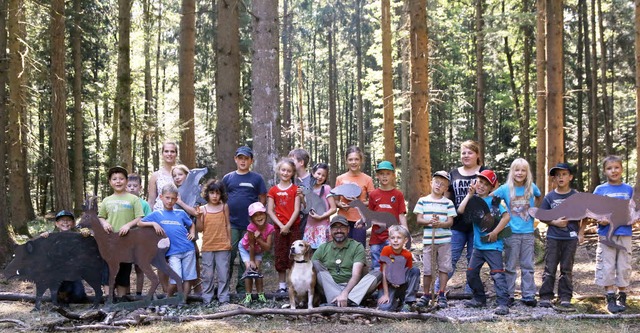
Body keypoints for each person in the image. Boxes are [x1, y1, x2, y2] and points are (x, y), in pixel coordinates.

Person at [585, 156, 634, 313]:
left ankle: (622, 295)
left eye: (616, 167)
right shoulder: (600, 190)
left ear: (621, 168)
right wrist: (600, 219)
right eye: (609, 168)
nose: (613, 170)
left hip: (624, 232)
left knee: (624, 264)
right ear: (605, 171)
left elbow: (634, 209)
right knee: (607, 264)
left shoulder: (628, 189)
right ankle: (610, 296)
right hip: (607, 235)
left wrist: (633, 218)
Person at [459, 170, 511, 316]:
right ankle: (479, 298)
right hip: (478, 246)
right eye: (480, 182)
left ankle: (502, 303)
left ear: (491, 188)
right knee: (471, 273)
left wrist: (495, 232)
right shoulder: (473, 200)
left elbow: (506, 217)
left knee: (497, 274)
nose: (481, 186)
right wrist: (469, 194)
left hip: (493, 246)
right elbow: (460, 210)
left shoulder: (494, 202)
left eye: (486, 184)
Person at [492, 158, 541, 307]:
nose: (520, 173)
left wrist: (535, 211)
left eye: (523, 170)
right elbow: (491, 198)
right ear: (512, 172)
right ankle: (509, 294)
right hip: (511, 233)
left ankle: (528, 295)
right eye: (517, 170)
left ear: (527, 173)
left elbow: (539, 197)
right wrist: (499, 215)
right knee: (511, 265)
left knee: (528, 265)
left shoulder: (532, 187)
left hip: (528, 232)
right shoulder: (506, 188)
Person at [222, 146, 268, 294]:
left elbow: (262, 199)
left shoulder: (256, 178)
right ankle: (224, 289)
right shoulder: (228, 178)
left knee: (246, 256)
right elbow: (222, 199)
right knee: (229, 254)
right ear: (235, 159)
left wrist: (257, 221)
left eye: (246, 158)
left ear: (251, 161)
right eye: (240, 158)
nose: (243, 161)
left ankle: (242, 289)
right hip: (232, 224)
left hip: (250, 226)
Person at [442, 140, 486, 294]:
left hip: (478, 225)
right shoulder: (453, 174)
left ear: (477, 155)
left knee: (473, 259)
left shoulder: (485, 172)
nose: (466, 155)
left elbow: (494, 195)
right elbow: (446, 199)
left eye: (470, 152)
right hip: (457, 224)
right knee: (451, 257)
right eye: (464, 153)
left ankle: (471, 290)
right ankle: (438, 290)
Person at [139, 184, 196, 299]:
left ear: (176, 199)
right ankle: (168, 298)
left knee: (188, 277)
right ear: (161, 197)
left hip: (188, 249)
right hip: (173, 252)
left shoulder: (181, 213)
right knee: (176, 277)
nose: (170, 201)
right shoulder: (157, 214)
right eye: (167, 198)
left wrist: (193, 233)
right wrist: (153, 223)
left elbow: (191, 224)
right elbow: (140, 223)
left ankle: (182, 300)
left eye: (173, 198)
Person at [538, 163, 582, 309]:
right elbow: (542, 215)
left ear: (570, 177)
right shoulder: (550, 197)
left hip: (570, 238)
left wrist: (580, 232)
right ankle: (545, 296)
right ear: (554, 179)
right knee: (550, 267)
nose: (560, 177)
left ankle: (565, 297)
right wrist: (555, 222)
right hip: (553, 237)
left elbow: (586, 213)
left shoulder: (576, 196)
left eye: (564, 174)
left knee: (566, 268)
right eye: (557, 175)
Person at [312, 215, 382, 307]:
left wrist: (344, 293)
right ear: (330, 230)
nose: (339, 230)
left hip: (353, 288)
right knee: (315, 264)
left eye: (342, 227)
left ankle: (339, 301)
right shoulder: (323, 248)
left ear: (348, 229)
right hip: (330, 287)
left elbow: (356, 275)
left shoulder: (357, 246)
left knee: (378, 273)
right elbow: (309, 271)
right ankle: (349, 302)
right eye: (335, 228)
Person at [98, 166, 144, 298]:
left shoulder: (133, 199)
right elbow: (101, 216)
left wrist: (128, 225)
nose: (118, 181)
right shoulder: (107, 200)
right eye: (114, 179)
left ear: (126, 181)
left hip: (127, 241)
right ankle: (108, 298)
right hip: (110, 241)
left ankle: (121, 299)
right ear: (110, 182)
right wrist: (105, 223)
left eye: (121, 179)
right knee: (108, 269)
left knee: (124, 269)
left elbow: (139, 217)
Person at [413, 171, 457, 308]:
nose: (439, 185)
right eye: (437, 182)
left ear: (446, 188)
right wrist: (429, 222)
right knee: (428, 270)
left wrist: (440, 224)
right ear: (431, 183)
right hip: (428, 241)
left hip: (444, 241)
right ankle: (426, 295)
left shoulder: (448, 203)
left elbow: (450, 222)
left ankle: (441, 294)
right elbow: (419, 219)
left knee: (444, 268)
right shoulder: (423, 200)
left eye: (443, 184)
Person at [40, 210, 91, 304]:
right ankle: (59, 294)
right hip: (57, 274)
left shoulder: (78, 237)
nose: (65, 222)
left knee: (79, 296)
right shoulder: (51, 237)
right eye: (62, 220)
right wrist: (43, 237)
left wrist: (86, 236)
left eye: (68, 220)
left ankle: (68, 295)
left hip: (74, 274)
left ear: (73, 223)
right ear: (56, 223)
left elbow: (88, 249)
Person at [266, 158, 301, 294]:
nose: (286, 173)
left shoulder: (295, 189)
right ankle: (282, 286)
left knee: (294, 256)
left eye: (289, 171)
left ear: (292, 173)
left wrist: (288, 226)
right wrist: (281, 226)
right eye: (283, 170)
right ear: (279, 171)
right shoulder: (273, 190)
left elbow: (297, 209)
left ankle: (294, 285)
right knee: (280, 256)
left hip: (294, 227)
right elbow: (270, 210)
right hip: (279, 229)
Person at [196, 179, 231, 304]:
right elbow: (200, 229)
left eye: (217, 193)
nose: (215, 196)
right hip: (208, 246)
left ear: (221, 194)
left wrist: (229, 241)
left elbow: (228, 225)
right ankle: (207, 297)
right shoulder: (203, 209)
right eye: (212, 193)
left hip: (223, 245)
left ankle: (224, 297)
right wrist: (198, 217)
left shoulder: (224, 207)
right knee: (208, 274)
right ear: (207, 194)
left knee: (223, 273)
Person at [368, 161, 408, 271]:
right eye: (381, 173)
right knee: (376, 265)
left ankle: (392, 286)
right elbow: (370, 215)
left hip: (392, 237)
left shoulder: (398, 194)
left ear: (393, 175)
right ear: (377, 176)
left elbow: (401, 215)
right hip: (376, 237)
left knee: (392, 263)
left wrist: (406, 233)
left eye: (388, 173)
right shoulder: (373, 194)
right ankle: (378, 286)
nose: (384, 176)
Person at [335, 146, 375, 247]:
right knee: (343, 249)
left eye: (356, 159)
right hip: (343, 220)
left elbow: (373, 201)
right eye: (350, 159)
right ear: (346, 161)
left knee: (358, 248)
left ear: (361, 160)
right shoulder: (340, 179)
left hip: (360, 219)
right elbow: (335, 201)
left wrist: (359, 203)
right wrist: (340, 204)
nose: (353, 162)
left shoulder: (367, 179)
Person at [376, 225, 420, 312]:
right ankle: (395, 302)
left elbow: (408, 274)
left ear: (405, 240)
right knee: (385, 308)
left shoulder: (407, 254)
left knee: (415, 271)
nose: (395, 240)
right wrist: (386, 294)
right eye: (393, 238)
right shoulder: (386, 250)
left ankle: (408, 302)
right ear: (389, 239)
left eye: (399, 238)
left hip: (401, 285)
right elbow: (384, 273)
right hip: (387, 285)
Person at [239, 202, 275, 304]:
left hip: (259, 249)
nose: (259, 217)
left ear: (265, 214)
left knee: (257, 271)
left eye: (261, 214)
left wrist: (258, 238)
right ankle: (248, 295)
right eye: (255, 215)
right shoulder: (251, 227)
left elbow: (267, 247)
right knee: (250, 269)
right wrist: (251, 261)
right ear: (251, 218)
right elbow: (251, 245)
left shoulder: (270, 228)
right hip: (246, 248)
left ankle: (260, 294)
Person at [126, 173, 152, 296]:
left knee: (139, 268)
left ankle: (138, 293)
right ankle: (125, 294)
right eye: (129, 185)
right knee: (124, 269)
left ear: (140, 188)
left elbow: (148, 220)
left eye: (135, 186)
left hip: (139, 242)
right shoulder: (122, 203)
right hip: (124, 241)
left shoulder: (144, 204)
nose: (132, 188)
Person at [304, 163, 337, 250]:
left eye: (323, 175)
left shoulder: (326, 188)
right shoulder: (307, 188)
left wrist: (321, 216)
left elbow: (333, 208)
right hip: (308, 227)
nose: (320, 177)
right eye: (318, 174)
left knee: (322, 252)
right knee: (308, 253)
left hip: (322, 227)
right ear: (313, 173)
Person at [148, 141, 179, 211]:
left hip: (177, 214)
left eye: (172, 151)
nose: (169, 154)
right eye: (166, 151)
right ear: (162, 153)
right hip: (159, 213)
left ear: (176, 154)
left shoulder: (182, 174)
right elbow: (151, 201)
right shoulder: (155, 176)